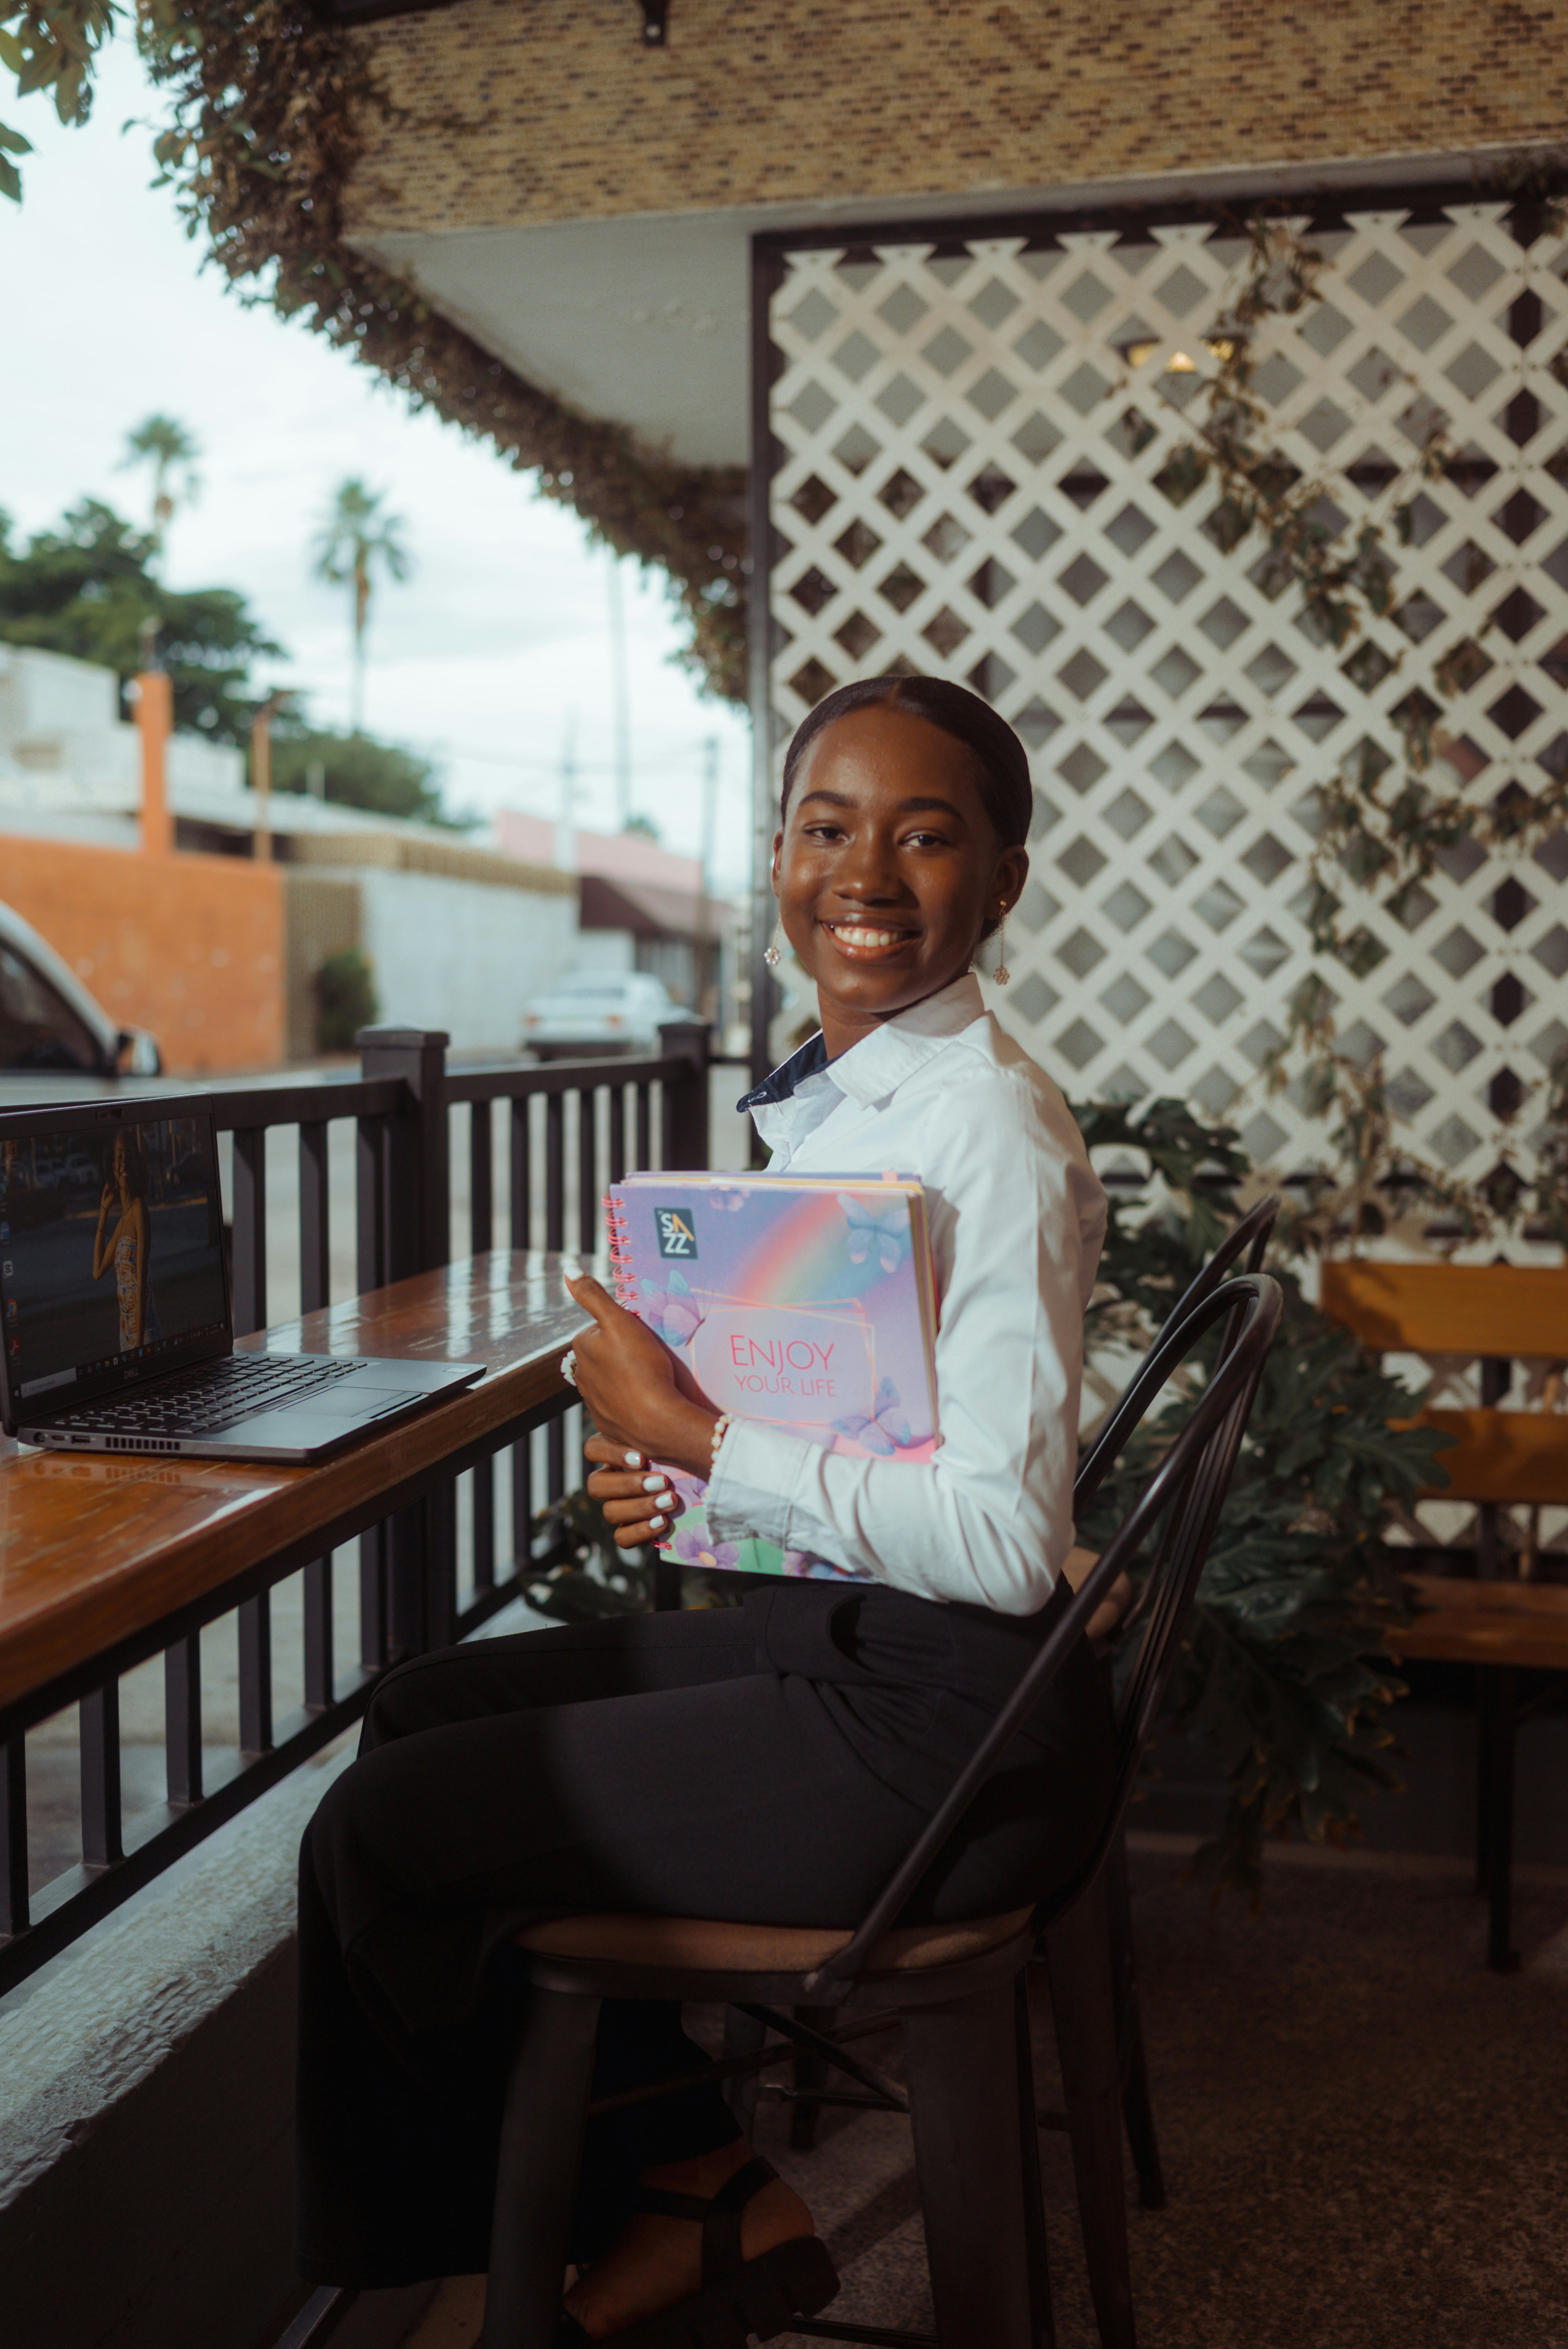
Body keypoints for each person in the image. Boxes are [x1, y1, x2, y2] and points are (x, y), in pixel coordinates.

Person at [294, 676, 1114, 2344]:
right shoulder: (856, 1096)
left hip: (945, 1732)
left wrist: (704, 1432)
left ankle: (565, 2239)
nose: (864, 872)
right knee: (420, 1707)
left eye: (923, 832)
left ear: (1005, 878)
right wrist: (684, 1474)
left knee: (376, 1832)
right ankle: (690, 2181)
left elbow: (1008, 1547)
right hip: (878, 1650)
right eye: (826, 828)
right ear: (775, 857)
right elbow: (872, 1441)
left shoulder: (985, 1130)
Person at [91, 1127, 156, 1352]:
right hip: (125, 1334)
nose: (124, 1162)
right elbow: (97, 1271)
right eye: (119, 1157)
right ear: (113, 1167)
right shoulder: (123, 1221)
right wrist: (104, 1212)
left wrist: (139, 1346)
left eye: (129, 1156)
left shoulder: (139, 1210)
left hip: (143, 1335)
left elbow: (142, 1281)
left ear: (136, 1163)